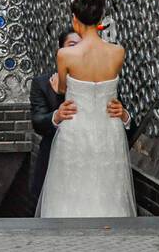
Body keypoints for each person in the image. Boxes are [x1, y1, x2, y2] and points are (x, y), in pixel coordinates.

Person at [38, 0, 137, 218]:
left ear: (75, 18)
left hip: (76, 126)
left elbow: (62, 89)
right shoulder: (117, 52)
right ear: (100, 17)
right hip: (108, 127)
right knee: (107, 188)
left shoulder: (66, 55)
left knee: (71, 189)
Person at [30, 29, 132, 206]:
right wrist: (57, 111)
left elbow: (121, 121)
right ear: (61, 52)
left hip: (98, 164)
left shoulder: (103, 80)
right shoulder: (42, 83)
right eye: (73, 45)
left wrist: (124, 115)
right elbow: (38, 123)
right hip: (59, 165)